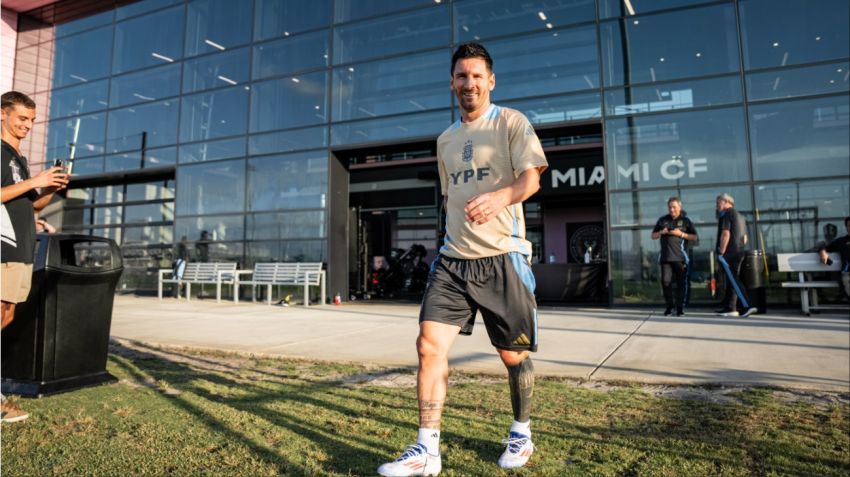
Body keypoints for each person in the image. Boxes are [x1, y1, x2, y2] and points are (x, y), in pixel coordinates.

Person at [377, 43, 548, 476]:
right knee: (428, 346)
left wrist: (500, 198)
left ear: (490, 81)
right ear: (451, 83)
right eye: (460, 76)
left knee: (513, 357)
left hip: (502, 256)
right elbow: (450, 196)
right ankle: (427, 450)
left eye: (476, 75)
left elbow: (532, 179)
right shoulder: (445, 140)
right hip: (454, 260)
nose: (468, 83)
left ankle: (522, 431)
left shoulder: (511, 122)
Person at [1, 91, 69, 423]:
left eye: (32, 120)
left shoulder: (19, 159)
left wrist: (50, 189)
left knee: (7, 315)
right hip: (2, 246)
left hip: (22, 246)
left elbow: (28, 204)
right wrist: (34, 180)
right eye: (22, 118)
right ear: (2, 114)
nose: (28, 125)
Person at [651, 197, 698, 316]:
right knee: (665, 282)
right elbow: (653, 235)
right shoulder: (662, 220)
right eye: (670, 207)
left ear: (679, 207)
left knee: (681, 284)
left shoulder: (686, 220)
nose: (672, 210)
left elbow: (694, 237)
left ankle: (679, 308)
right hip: (665, 257)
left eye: (674, 207)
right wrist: (662, 232)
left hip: (680, 258)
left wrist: (680, 234)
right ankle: (669, 307)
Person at [714, 193, 757, 317]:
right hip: (739, 252)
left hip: (729, 254)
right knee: (731, 281)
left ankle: (748, 306)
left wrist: (721, 252)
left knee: (734, 281)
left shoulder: (727, 214)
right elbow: (745, 238)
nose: (717, 205)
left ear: (727, 202)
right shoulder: (740, 216)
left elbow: (725, 234)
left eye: (718, 202)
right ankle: (730, 308)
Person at [818, 216, 850, 300]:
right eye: (849, 225)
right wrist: (823, 252)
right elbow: (824, 247)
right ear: (846, 227)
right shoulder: (842, 241)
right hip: (847, 274)